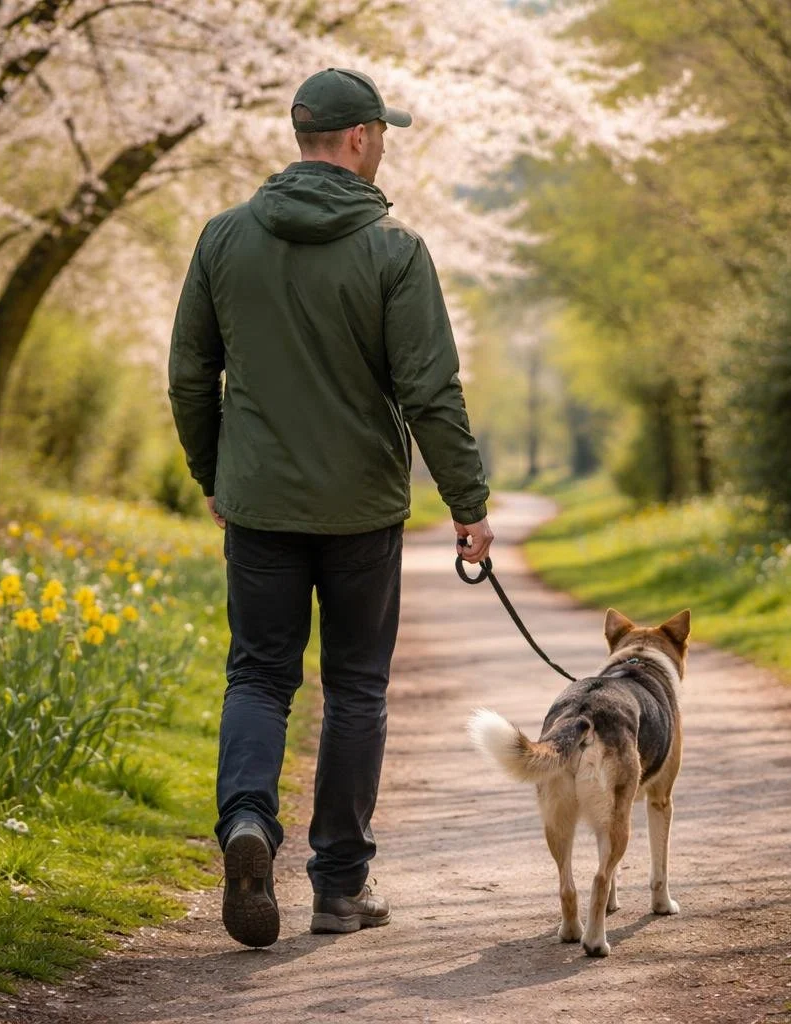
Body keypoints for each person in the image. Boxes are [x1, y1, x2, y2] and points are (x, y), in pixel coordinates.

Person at [168, 67, 494, 948]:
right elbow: (432, 391)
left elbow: (191, 374)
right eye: (383, 132)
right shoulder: (395, 252)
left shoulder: (223, 240)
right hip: (359, 514)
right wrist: (468, 502)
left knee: (260, 675)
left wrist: (214, 475)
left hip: (261, 506)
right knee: (355, 687)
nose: (385, 145)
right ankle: (339, 888)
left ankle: (246, 822)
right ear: (357, 139)